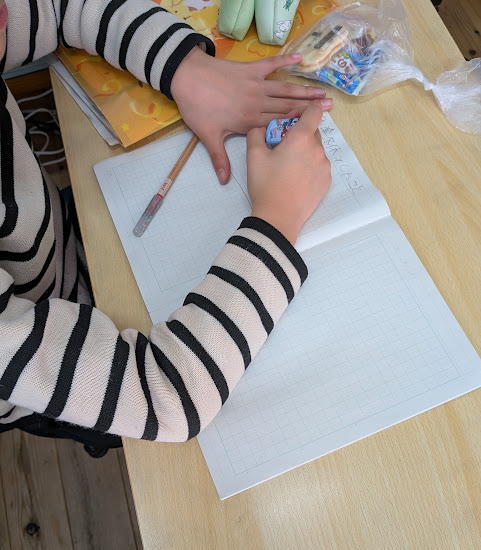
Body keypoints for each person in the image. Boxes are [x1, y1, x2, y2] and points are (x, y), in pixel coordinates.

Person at [0, 0, 332, 453]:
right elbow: (168, 396)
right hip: (39, 374)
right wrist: (279, 215)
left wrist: (186, 69)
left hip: (56, 248)